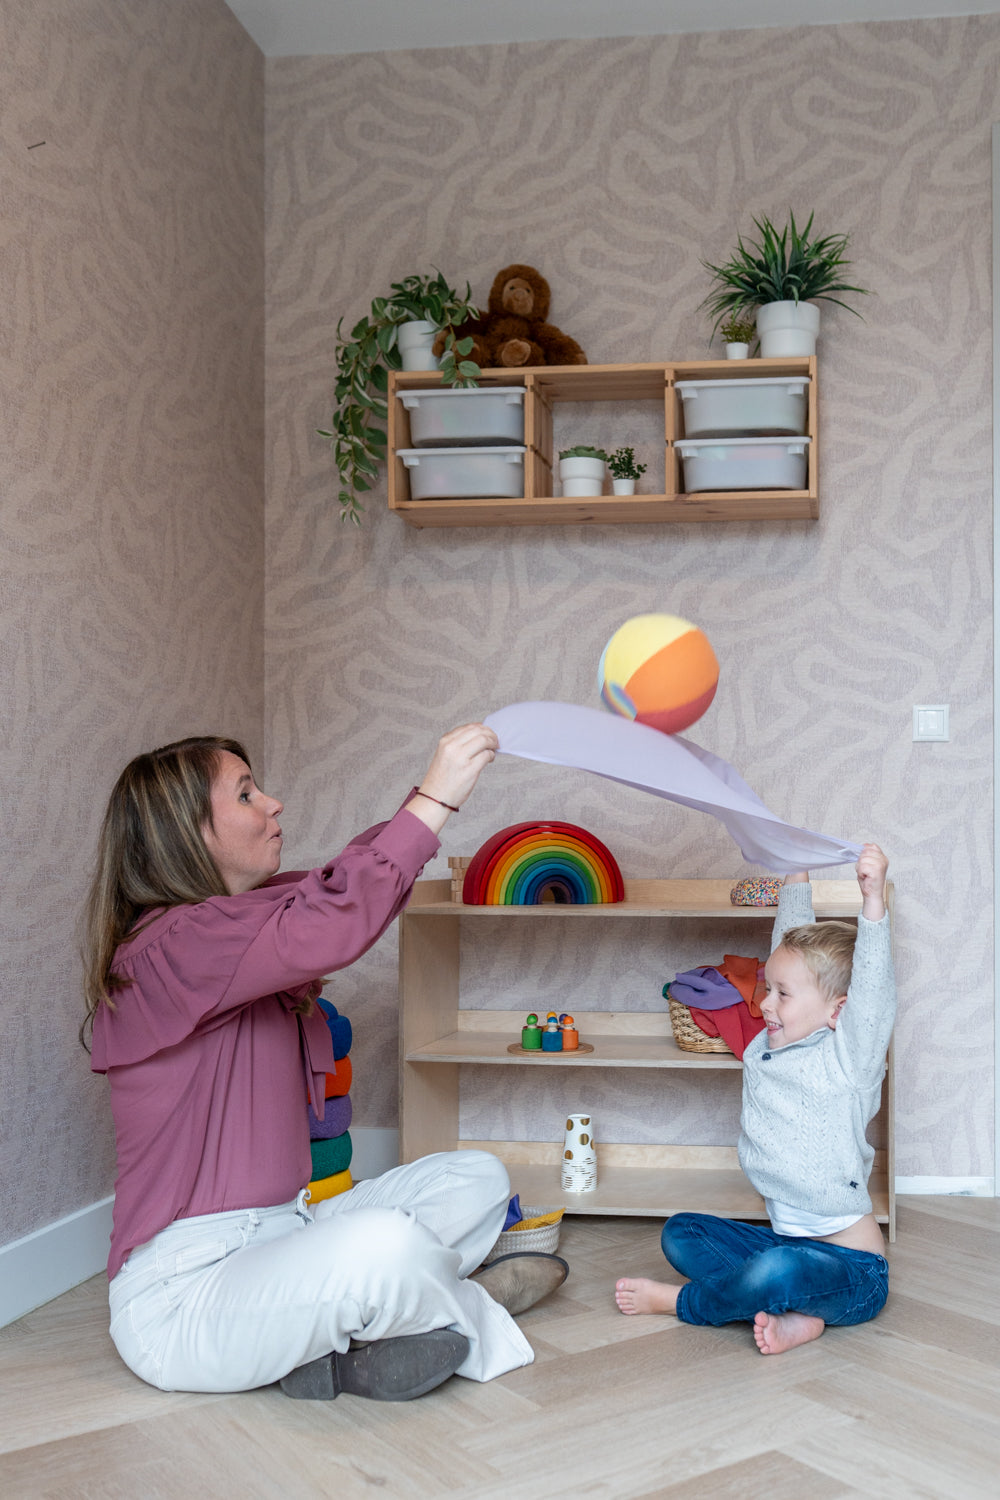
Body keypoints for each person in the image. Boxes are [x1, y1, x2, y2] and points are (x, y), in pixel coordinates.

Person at [82, 724, 568, 1401]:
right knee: (384, 1246)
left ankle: (370, 1327)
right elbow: (336, 916)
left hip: (292, 1228)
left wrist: (419, 808)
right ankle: (443, 1306)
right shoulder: (171, 947)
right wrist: (437, 797)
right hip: (187, 1298)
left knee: (475, 1177)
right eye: (247, 794)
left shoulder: (234, 921)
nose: (273, 804)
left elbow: (349, 881)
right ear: (186, 833)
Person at [615, 843, 894, 1355]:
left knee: (779, 1270)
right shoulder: (768, 1047)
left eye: (782, 995)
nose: (764, 1003)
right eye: (770, 988)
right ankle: (796, 1314)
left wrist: (873, 900)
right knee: (681, 1233)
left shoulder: (847, 1062)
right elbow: (787, 944)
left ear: (838, 1011)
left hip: (854, 1273)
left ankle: (687, 1304)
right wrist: (796, 869)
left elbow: (873, 996)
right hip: (783, 1246)